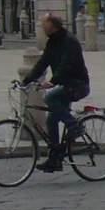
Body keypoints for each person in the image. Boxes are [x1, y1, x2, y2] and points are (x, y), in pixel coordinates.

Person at [22, 12, 90, 173]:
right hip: (66, 85)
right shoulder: (52, 42)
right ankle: (55, 159)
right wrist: (26, 81)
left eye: (43, 23)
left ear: (52, 25)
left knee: (50, 98)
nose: (41, 25)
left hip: (78, 84)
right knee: (51, 120)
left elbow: (66, 64)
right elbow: (42, 63)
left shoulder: (69, 41)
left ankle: (75, 126)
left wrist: (53, 81)